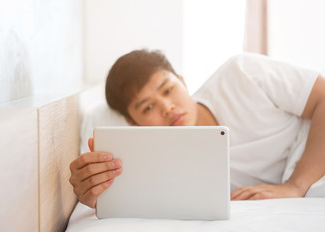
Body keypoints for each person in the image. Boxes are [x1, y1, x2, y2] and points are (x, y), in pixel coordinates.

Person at [69, 49, 325, 209]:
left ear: (182, 81)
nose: (167, 108)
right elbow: (115, 201)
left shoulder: (242, 73)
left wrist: (295, 185)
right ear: (133, 124)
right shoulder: (157, 167)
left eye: (168, 90)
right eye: (148, 108)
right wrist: (92, 197)